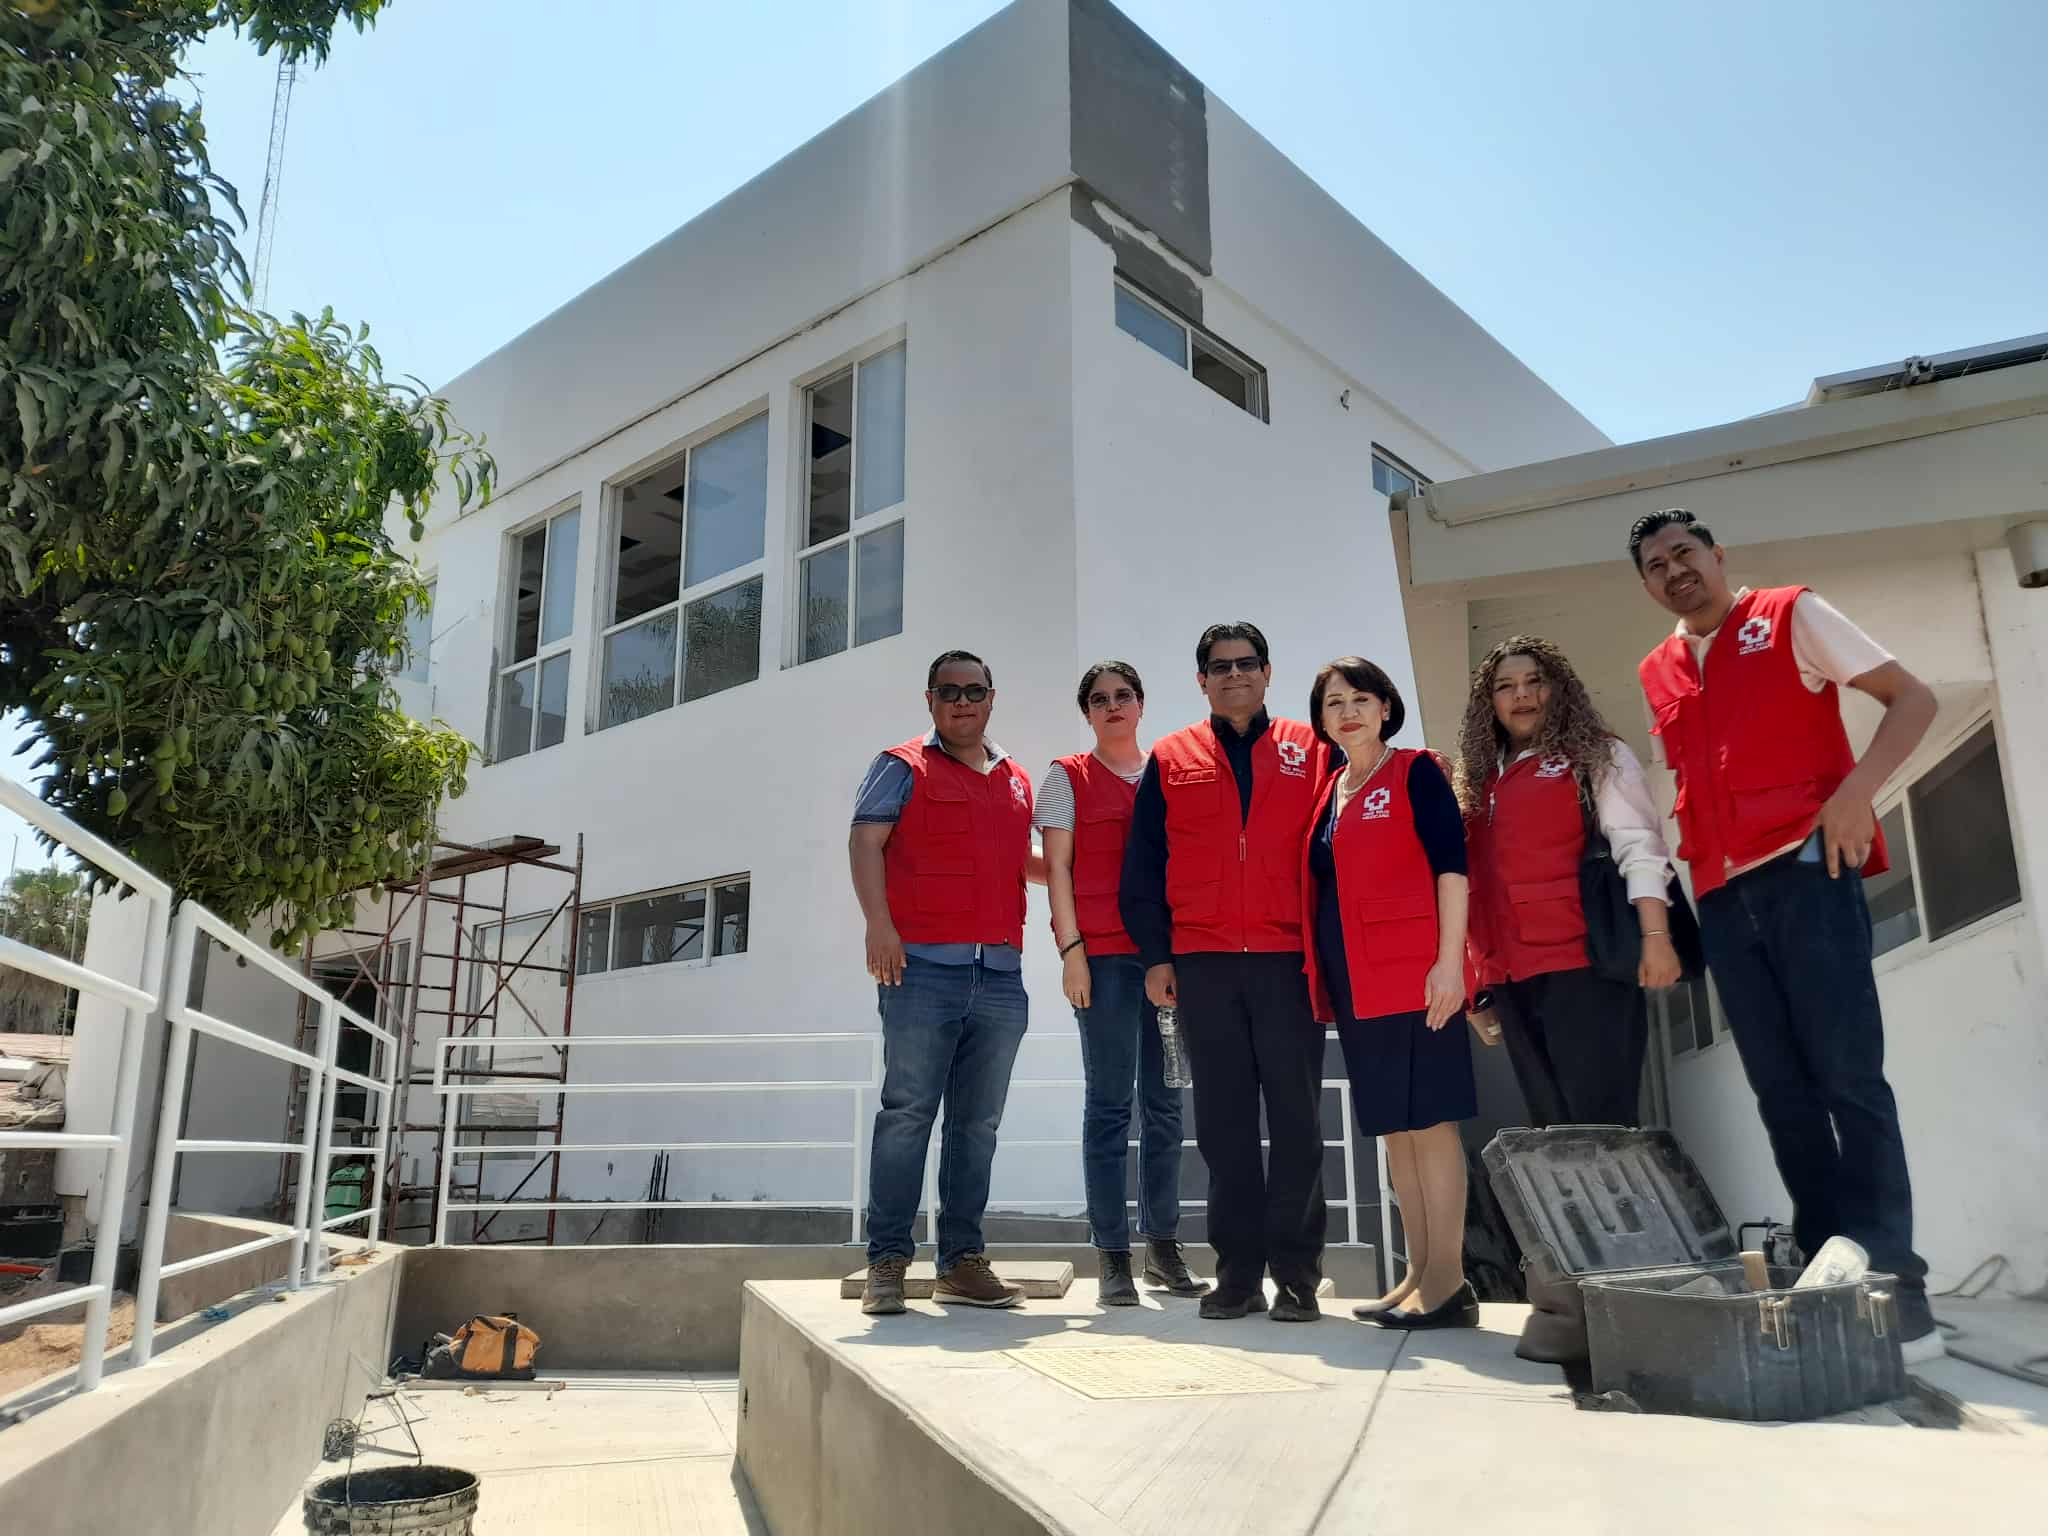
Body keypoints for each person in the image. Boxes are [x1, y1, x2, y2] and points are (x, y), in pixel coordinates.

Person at [1630, 508, 1943, 1362]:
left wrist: (1856, 792)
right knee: (1780, 1090)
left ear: (1717, 555)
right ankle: (1825, 1254)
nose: (1675, 569)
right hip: (1723, 899)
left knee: (1848, 1076)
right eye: (1657, 564)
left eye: (1686, 552)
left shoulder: (1791, 614)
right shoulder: (1658, 668)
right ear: (1648, 584)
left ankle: (1893, 1278)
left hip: (1808, 872)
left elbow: (1912, 699)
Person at [1120, 622, 1331, 1322]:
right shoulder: (1172, 756)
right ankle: (1237, 1274)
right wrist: (1156, 956)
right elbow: (1143, 866)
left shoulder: (1313, 748)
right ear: (1201, 680)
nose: (1233, 675)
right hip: (1204, 966)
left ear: (1268, 673)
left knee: (1299, 1120)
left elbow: (1339, 856)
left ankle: (1297, 1274)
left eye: (1246, 664)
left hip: (1287, 962)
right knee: (1224, 1126)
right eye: (1219, 666)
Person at [848, 650, 1035, 1316]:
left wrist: (1096, 875)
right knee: (907, 1115)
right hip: (922, 969)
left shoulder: (1015, 779)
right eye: (949, 691)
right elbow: (866, 841)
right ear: (930, 700)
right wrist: (879, 925)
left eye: (975, 690)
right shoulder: (901, 765)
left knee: (977, 1126)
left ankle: (961, 1261)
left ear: (991, 697)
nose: (963, 701)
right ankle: (888, 1262)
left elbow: (1027, 864)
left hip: (1002, 976)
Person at [1302, 658, 1479, 1330]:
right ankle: (1416, 1271)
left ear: (1385, 707)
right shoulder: (1330, 791)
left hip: (1416, 975)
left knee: (1431, 1125)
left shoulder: (1416, 771)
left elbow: (1451, 868)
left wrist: (1449, 964)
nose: (1347, 712)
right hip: (1357, 980)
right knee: (1395, 1134)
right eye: (1333, 703)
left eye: (1360, 699)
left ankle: (1448, 1282)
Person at [1457, 636, 1680, 1128]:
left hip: (1585, 967)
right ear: (1488, 702)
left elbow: (1639, 847)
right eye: (1506, 686)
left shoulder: (1596, 755)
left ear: (1558, 689)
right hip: (1511, 979)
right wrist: (1476, 991)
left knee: (1601, 1127)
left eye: (1535, 682)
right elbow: (1468, 890)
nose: (1522, 695)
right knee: (1552, 1132)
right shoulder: (1476, 781)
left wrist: (1656, 936)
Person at [1038, 661, 1208, 1305]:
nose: (1113, 707)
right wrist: (1071, 950)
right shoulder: (1068, 777)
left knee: (1166, 1105)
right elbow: (1057, 870)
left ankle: (1163, 1249)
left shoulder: (1169, 772)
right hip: (1103, 964)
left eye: (1123, 696)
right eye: (1100, 699)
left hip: (1167, 964)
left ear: (1141, 705)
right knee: (1109, 1106)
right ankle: (1112, 1257)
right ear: (1087, 712)